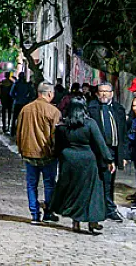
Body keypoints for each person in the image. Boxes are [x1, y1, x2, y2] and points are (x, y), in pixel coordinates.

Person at [46, 99, 113, 234]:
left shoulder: (63, 126)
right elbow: (100, 143)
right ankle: (92, 221)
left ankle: (75, 222)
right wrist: (109, 160)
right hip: (87, 160)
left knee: (72, 191)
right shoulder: (90, 124)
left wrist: (55, 158)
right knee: (92, 191)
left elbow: (58, 146)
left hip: (68, 160)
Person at [15, 82, 60, 224]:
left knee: (31, 184)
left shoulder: (25, 109)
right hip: (48, 154)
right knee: (49, 184)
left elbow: (18, 131)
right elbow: (55, 135)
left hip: (29, 153)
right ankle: (48, 212)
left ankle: (34, 214)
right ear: (49, 94)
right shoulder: (54, 112)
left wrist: (21, 149)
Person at [89, 83, 128, 222]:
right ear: (97, 93)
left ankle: (109, 209)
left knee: (109, 181)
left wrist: (123, 155)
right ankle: (98, 208)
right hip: (96, 150)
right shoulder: (91, 108)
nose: (104, 94)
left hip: (112, 150)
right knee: (96, 181)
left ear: (111, 93)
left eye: (107, 91)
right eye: (101, 91)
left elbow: (123, 133)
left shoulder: (118, 109)